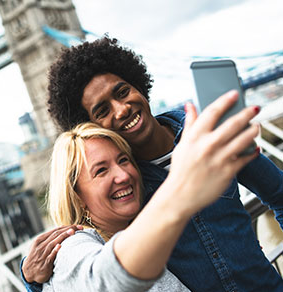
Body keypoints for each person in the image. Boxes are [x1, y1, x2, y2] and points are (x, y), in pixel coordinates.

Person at [22, 36, 283, 291]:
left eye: (123, 92)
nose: (121, 109)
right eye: (102, 110)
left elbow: (279, 194)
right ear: (91, 126)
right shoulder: (122, 184)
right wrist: (31, 278)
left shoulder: (211, 134)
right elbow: (91, 263)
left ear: (138, 85)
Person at [43, 106, 258, 291]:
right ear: (76, 196)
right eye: (101, 171)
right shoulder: (70, 247)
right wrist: (181, 190)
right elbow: (104, 281)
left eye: (123, 160)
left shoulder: (143, 230)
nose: (123, 175)